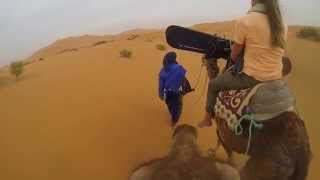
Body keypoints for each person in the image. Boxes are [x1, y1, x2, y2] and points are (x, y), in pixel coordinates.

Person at [198, 0, 288, 127]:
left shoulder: (245, 21)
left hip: (253, 78)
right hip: (275, 77)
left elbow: (234, 55)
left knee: (213, 84)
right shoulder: (281, 24)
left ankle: (207, 119)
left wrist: (234, 58)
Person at [159, 52, 193, 126]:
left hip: (167, 92)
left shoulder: (163, 69)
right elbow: (183, 76)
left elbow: (161, 83)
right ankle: (174, 121)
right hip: (177, 92)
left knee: (170, 104)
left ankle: (173, 118)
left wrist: (161, 94)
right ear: (174, 59)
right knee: (177, 107)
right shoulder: (179, 67)